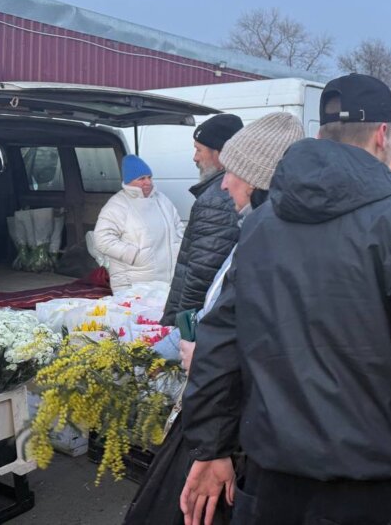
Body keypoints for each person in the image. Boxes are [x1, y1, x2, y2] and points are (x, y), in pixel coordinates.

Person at [179, 73, 391, 525]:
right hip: (369, 481)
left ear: (320, 136)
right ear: (383, 135)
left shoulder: (260, 225)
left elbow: (220, 341)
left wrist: (211, 447)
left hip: (272, 480)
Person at [124, 112, 305, 525]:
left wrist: (197, 345)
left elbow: (246, 349)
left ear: (258, 179)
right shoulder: (268, 233)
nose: (224, 183)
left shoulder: (268, 244)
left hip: (240, 431)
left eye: (234, 173)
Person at [161, 113, 244, 326]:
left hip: (203, 323)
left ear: (220, 154)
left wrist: (184, 329)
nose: (195, 157)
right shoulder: (221, 195)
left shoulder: (217, 200)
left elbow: (201, 275)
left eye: (199, 149)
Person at [91, 155, 184, 292]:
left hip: (168, 279)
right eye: (141, 179)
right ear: (129, 181)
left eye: (149, 177)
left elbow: (178, 227)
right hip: (134, 282)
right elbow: (102, 239)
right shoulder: (117, 205)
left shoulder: (161, 200)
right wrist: (134, 255)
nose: (148, 182)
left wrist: (177, 248)